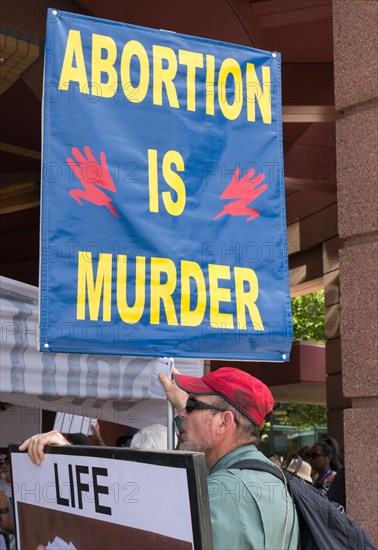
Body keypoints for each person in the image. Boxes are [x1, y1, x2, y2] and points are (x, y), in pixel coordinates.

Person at [20, 367, 299, 549]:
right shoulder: (266, 479)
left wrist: (69, 457)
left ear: (224, 423)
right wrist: (186, 403)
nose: (182, 413)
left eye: (192, 405)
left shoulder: (220, 496)